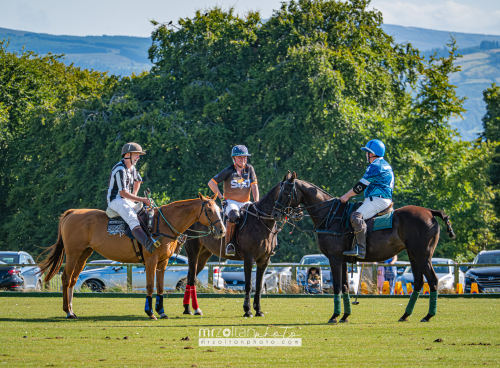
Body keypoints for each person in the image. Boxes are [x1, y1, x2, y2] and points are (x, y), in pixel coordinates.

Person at [340, 139, 394, 259]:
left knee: (355, 216)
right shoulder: (385, 164)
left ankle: (360, 249)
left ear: (372, 153)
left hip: (378, 200)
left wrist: (345, 196)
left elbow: (360, 186)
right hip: (382, 199)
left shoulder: (375, 166)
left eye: (367, 152)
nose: (366, 155)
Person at [107, 142, 163, 253]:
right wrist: (142, 199)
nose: (138, 157)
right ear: (127, 154)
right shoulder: (120, 170)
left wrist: (134, 197)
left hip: (126, 199)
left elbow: (138, 181)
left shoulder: (132, 168)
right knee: (132, 218)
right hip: (115, 200)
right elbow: (122, 193)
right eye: (136, 154)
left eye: (139, 155)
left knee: (144, 212)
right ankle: (147, 244)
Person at [208, 145, 259, 256]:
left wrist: (257, 202)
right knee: (234, 216)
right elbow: (211, 183)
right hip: (231, 202)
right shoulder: (229, 170)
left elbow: (254, 187)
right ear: (234, 159)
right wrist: (221, 198)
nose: (243, 160)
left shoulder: (249, 169)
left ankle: (262, 244)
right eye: (240, 157)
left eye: (245, 157)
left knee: (260, 214)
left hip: (246, 202)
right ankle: (229, 245)